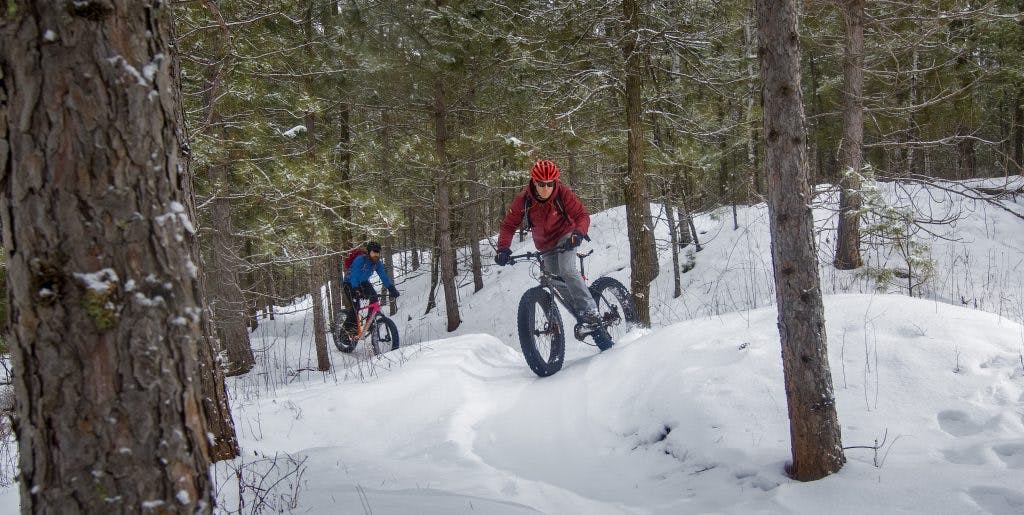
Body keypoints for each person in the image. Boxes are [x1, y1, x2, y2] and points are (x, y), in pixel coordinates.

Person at [494, 159, 600, 326]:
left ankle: (590, 310)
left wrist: (578, 233)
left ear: (555, 182)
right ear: (534, 182)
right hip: (545, 245)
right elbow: (508, 225)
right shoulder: (523, 200)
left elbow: (582, 216)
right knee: (555, 279)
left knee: (567, 269)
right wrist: (503, 249)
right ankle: (582, 316)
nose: (546, 188)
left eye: (550, 184)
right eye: (542, 184)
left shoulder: (562, 194)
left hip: (566, 235)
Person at [343, 241, 399, 335]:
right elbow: (354, 276)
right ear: (369, 252)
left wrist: (391, 288)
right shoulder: (360, 259)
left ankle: (370, 322)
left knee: (374, 298)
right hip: (350, 283)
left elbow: (383, 276)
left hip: (363, 282)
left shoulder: (377, 263)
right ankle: (347, 329)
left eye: (377, 253)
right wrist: (356, 289)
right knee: (356, 306)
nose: (376, 255)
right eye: (374, 252)